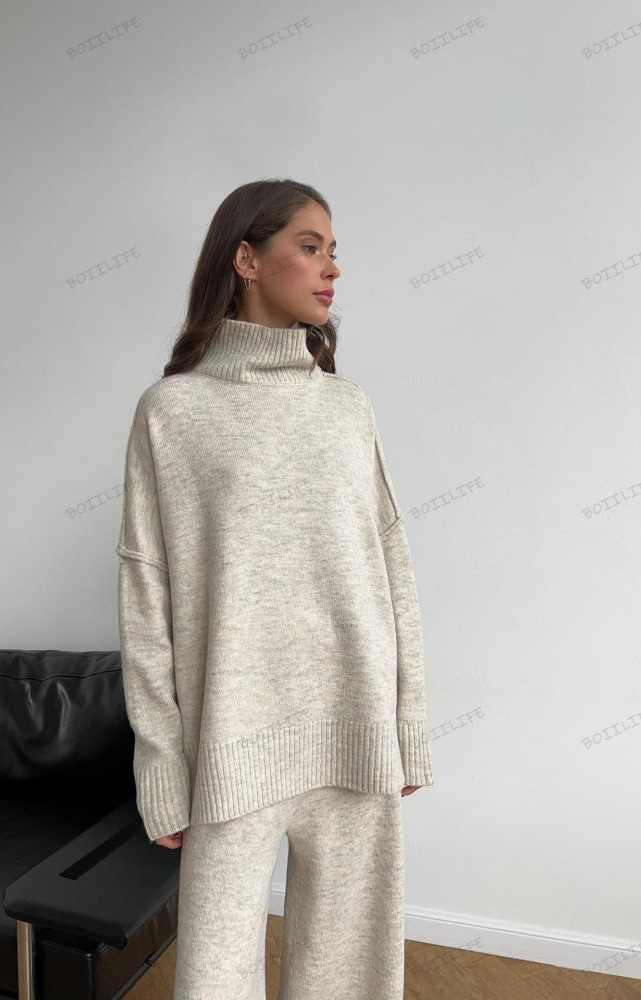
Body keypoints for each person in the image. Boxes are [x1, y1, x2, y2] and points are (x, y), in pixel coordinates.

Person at [116, 179, 435, 1000]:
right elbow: (146, 597)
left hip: (354, 723)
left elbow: (392, 567)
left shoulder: (347, 408)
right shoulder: (171, 412)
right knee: (216, 977)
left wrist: (406, 723)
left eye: (334, 252)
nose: (332, 269)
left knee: (349, 974)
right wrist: (162, 765)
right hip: (232, 739)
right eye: (310, 246)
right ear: (247, 259)